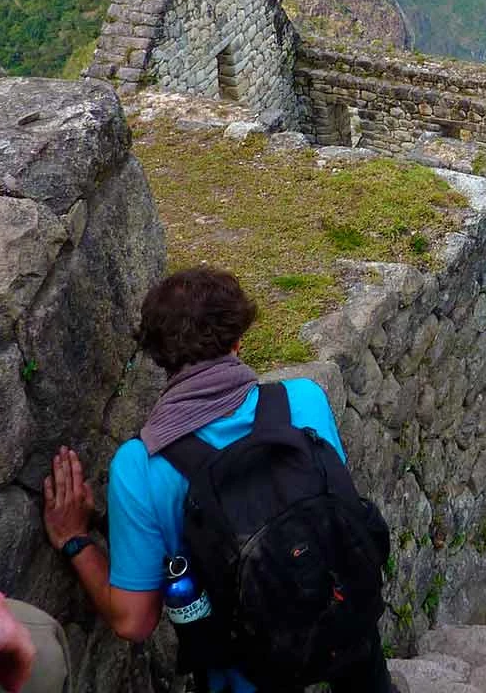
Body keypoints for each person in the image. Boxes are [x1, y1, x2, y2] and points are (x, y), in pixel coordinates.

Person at [42, 268, 391, 693]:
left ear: (159, 358)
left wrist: (75, 539)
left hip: (246, 666)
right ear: (237, 340)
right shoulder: (303, 401)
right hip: (345, 620)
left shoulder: (139, 467)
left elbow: (134, 621)